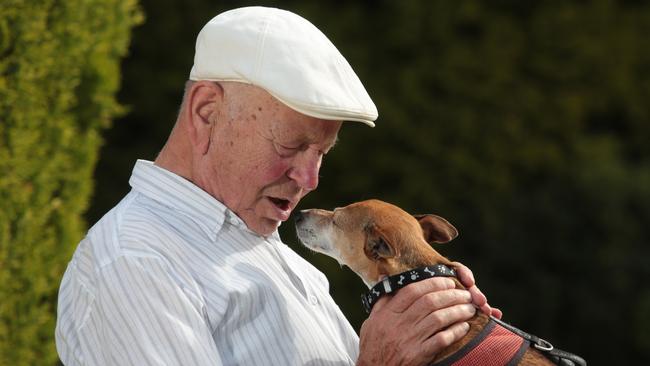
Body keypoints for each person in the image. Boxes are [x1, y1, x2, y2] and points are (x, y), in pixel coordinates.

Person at [55, 6, 500, 365]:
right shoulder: (135, 263)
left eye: (322, 153)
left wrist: (442, 329)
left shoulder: (266, 247)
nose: (310, 180)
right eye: (291, 145)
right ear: (206, 112)